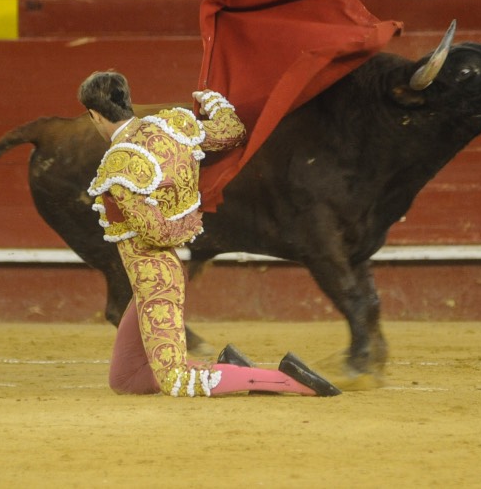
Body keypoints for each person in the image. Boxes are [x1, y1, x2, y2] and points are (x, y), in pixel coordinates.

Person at [79, 70, 342, 398]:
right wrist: (215, 102)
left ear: (95, 114)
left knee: (176, 380)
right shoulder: (171, 126)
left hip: (156, 280)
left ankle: (288, 380)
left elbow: (155, 232)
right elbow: (232, 132)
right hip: (154, 279)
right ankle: (233, 369)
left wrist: (187, 224)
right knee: (126, 378)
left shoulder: (119, 164)